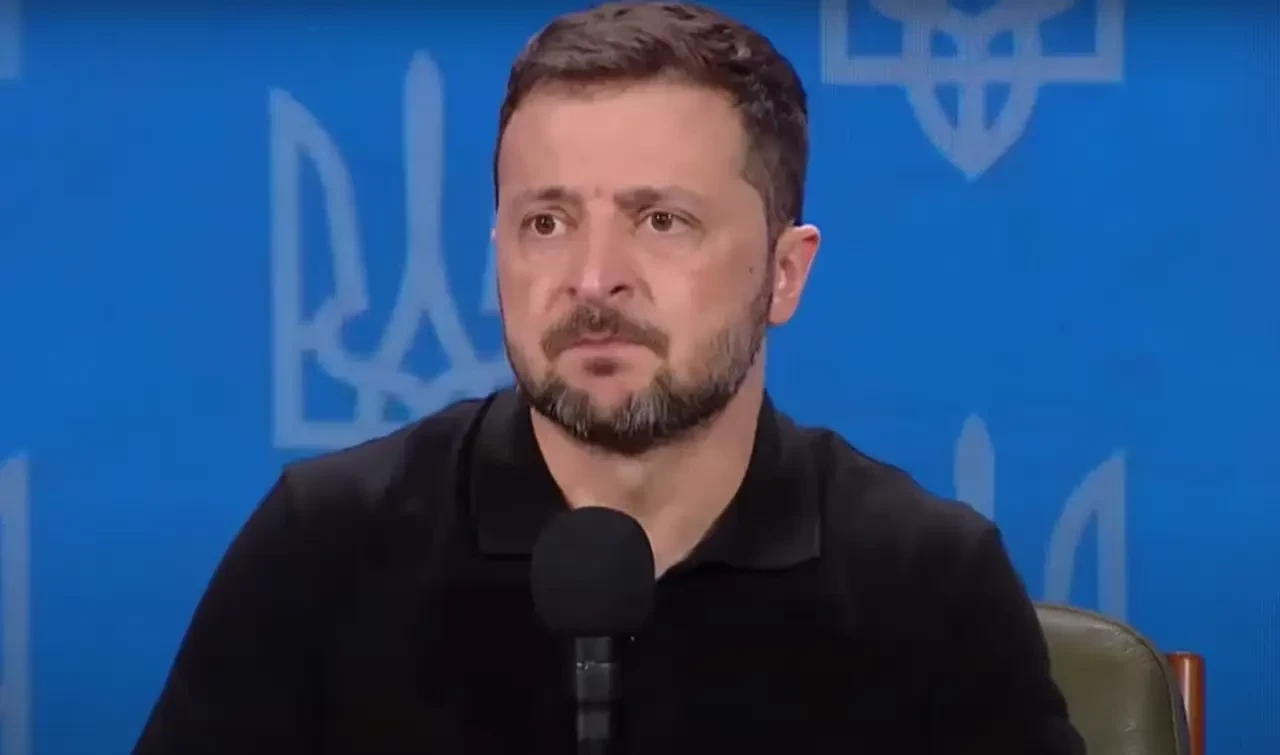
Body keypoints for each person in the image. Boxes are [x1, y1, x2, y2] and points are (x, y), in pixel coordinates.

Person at [134, 3, 1085, 753]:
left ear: (785, 272)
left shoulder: (928, 582)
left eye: (662, 220)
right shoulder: (325, 546)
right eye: (546, 223)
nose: (593, 279)